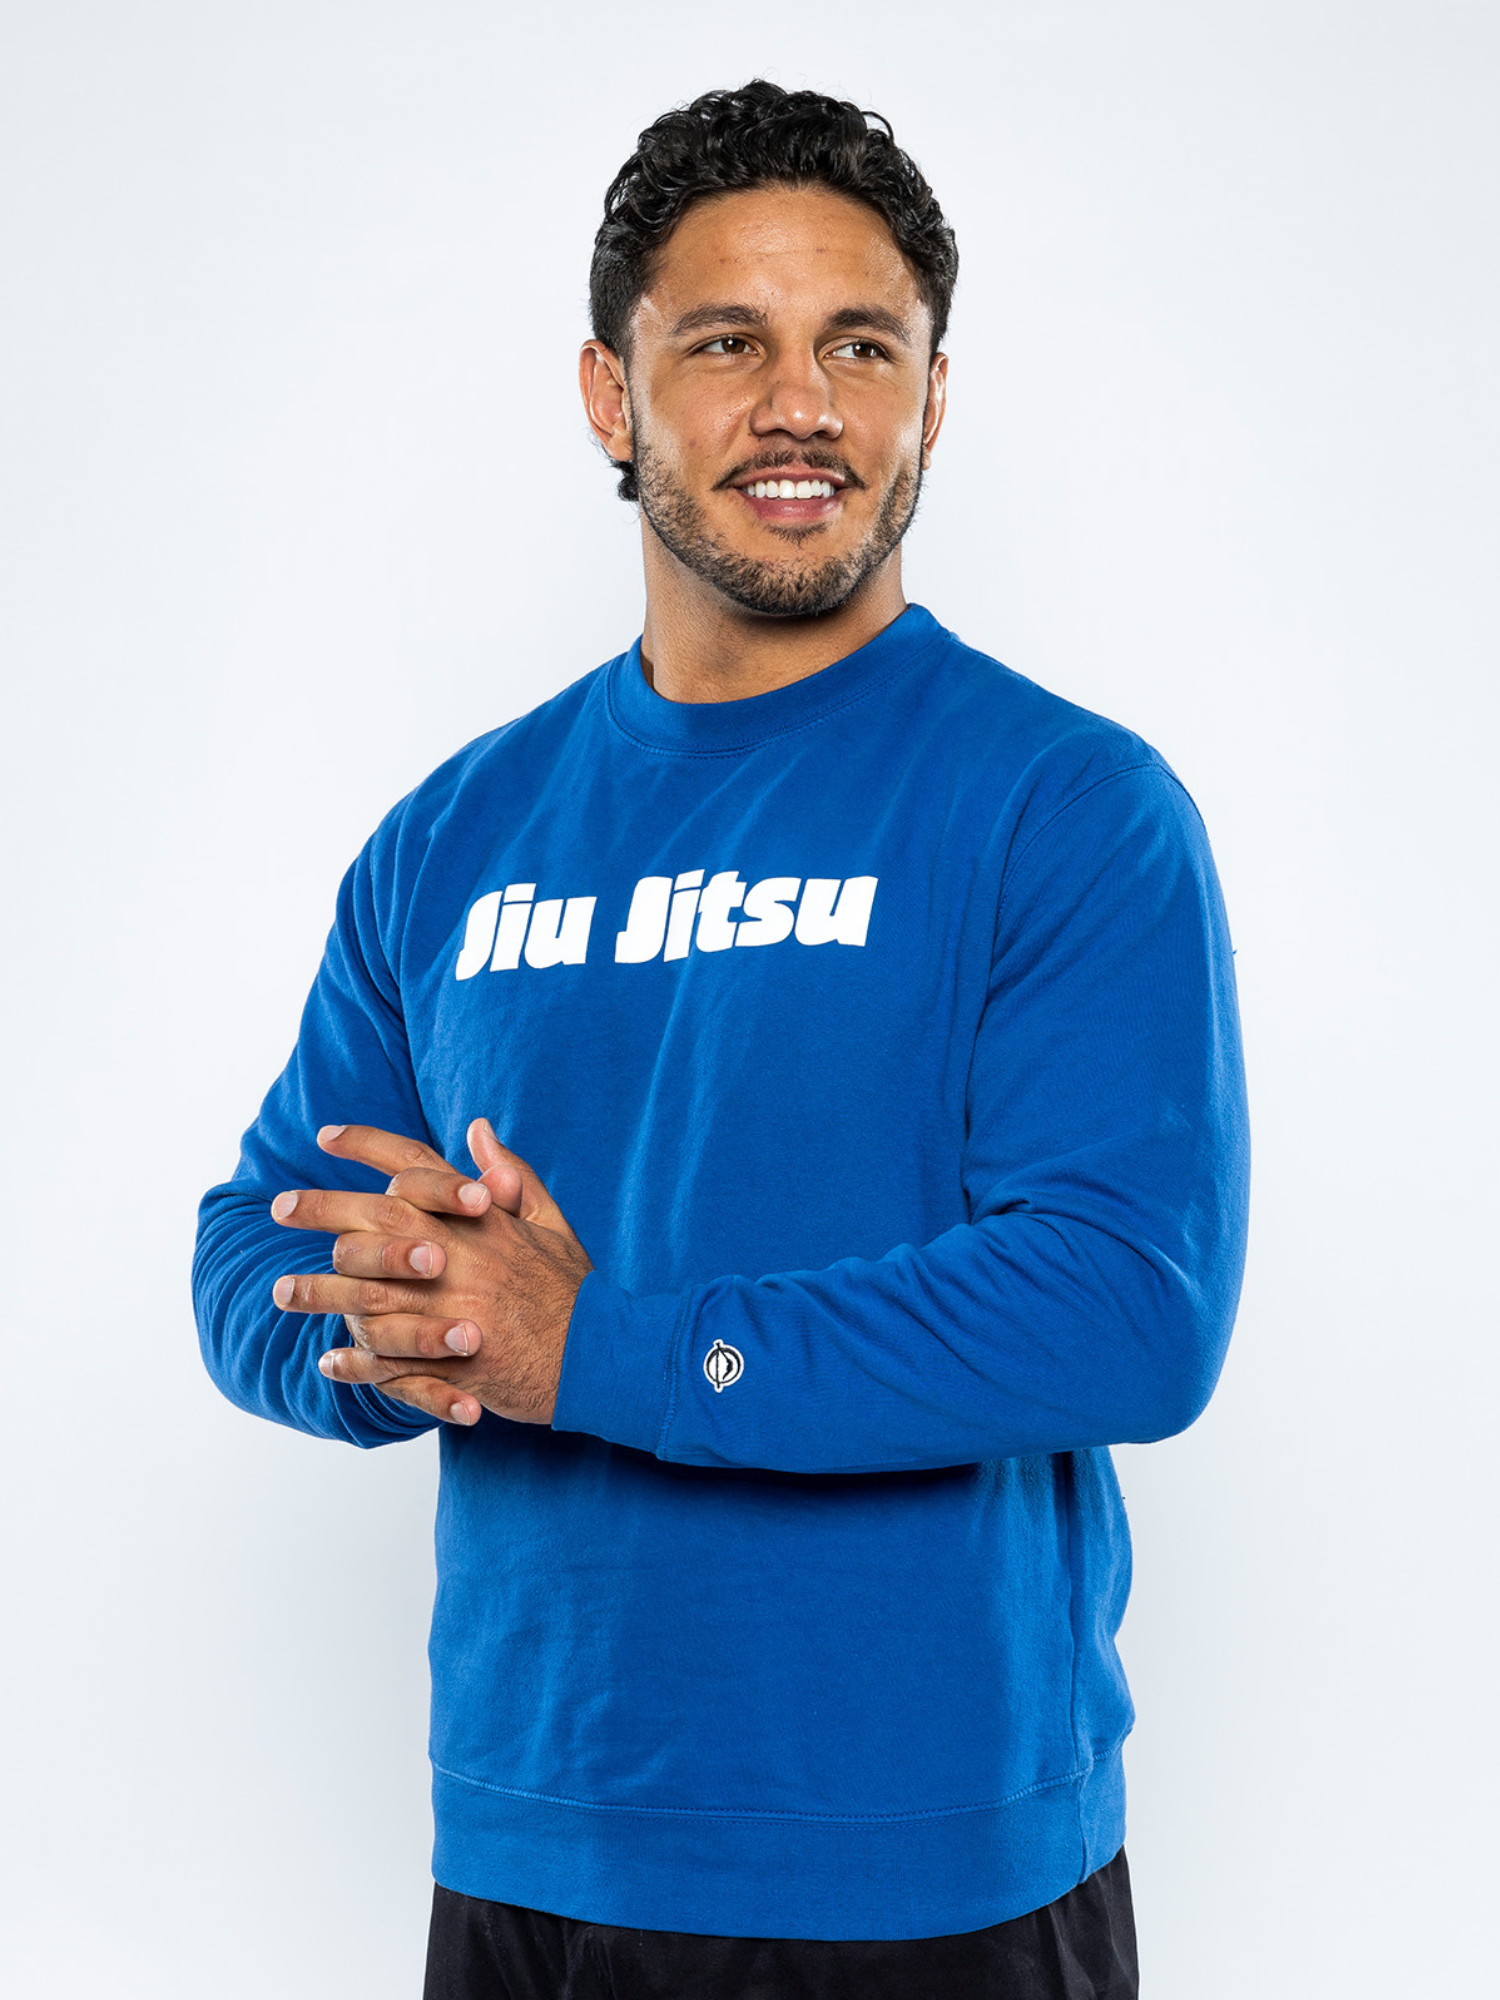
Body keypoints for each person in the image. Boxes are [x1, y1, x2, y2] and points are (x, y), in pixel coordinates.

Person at [195, 79, 1249, 2000]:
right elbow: (244, 1255)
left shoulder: (1068, 807)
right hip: (523, 1837)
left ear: (934, 392)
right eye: (726, 344)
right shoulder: (453, 836)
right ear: (612, 397)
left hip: (920, 1875)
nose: (803, 405)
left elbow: (1126, 1307)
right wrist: (408, 1321)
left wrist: (580, 1344)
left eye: (864, 344)